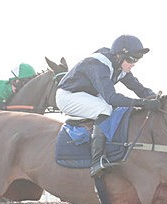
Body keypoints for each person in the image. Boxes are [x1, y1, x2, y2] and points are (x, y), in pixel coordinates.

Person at [55, 35, 160, 178]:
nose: (133, 63)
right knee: (105, 109)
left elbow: (140, 89)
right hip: (69, 96)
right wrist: (143, 103)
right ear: (118, 55)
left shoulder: (120, 66)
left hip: (88, 95)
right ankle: (96, 162)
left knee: (116, 110)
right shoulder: (99, 64)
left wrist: (157, 98)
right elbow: (112, 98)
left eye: (136, 60)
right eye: (131, 59)